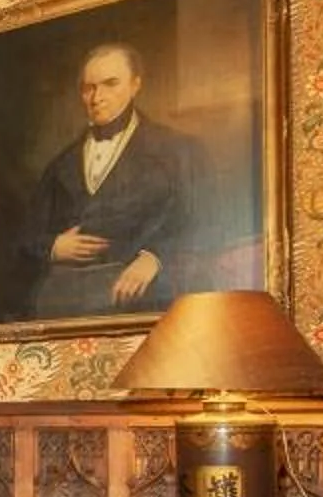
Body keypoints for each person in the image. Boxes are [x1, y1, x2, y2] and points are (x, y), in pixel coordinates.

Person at [19, 40, 203, 318]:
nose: (96, 97)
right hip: (62, 298)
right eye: (88, 88)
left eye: (110, 83)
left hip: (143, 293)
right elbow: (23, 237)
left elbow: (204, 221)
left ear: (135, 85)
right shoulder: (60, 164)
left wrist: (154, 258)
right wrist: (54, 247)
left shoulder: (178, 150)